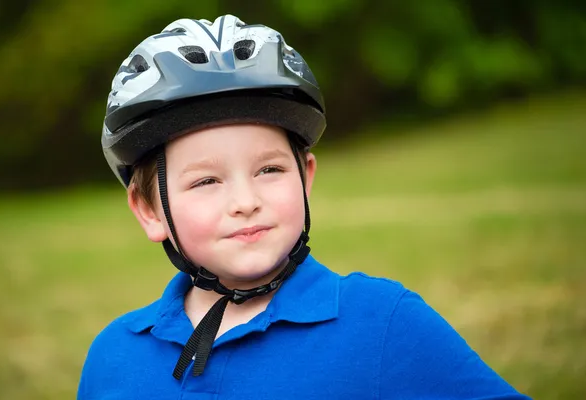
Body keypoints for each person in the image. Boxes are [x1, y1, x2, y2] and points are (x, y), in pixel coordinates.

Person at [78, 14, 531, 399]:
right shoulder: (113, 358)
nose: (245, 202)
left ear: (305, 177)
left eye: (269, 171)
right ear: (150, 211)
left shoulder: (384, 323)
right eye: (207, 181)